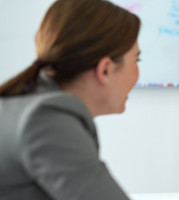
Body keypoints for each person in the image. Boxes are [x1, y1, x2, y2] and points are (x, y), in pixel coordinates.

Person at [0, 0, 140, 199]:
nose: (137, 74)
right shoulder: (46, 119)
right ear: (105, 69)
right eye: (136, 59)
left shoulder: (25, 104)